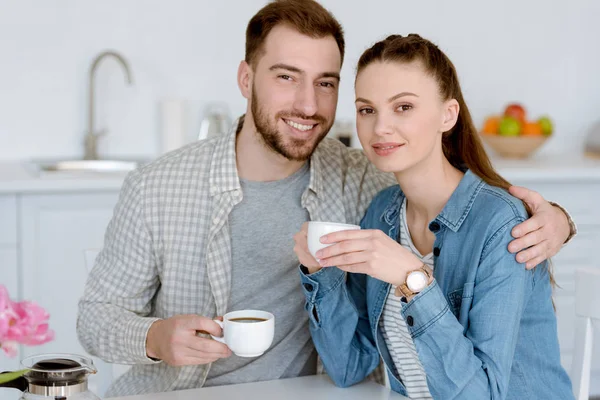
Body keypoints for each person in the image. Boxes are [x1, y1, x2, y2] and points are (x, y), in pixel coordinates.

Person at [77, 1, 575, 397]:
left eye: (326, 84)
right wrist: (154, 339)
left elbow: (474, 205)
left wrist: (557, 219)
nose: (308, 104)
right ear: (246, 79)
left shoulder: (365, 180)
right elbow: (96, 317)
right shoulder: (159, 187)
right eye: (286, 76)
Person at [293, 34, 574, 399]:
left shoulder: (500, 224)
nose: (380, 128)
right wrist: (320, 274)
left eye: (403, 107)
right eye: (367, 110)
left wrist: (411, 279)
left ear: (448, 115)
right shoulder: (382, 213)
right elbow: (348, 367)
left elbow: (482, 394)